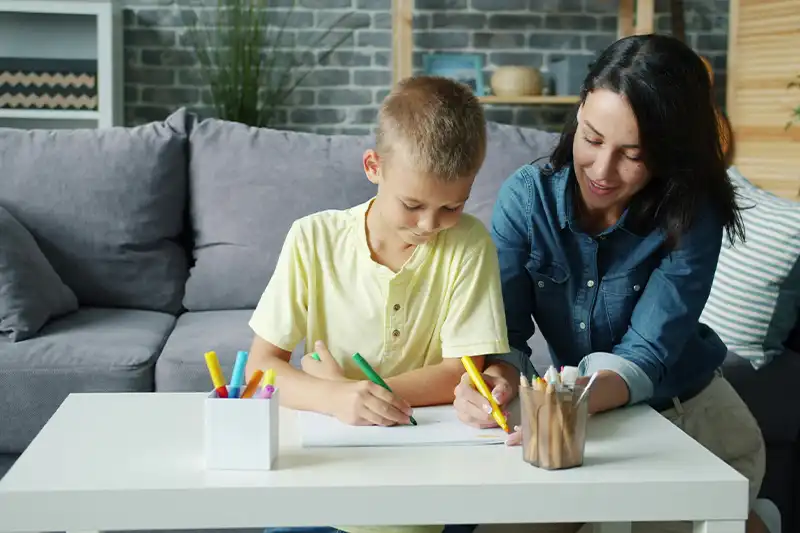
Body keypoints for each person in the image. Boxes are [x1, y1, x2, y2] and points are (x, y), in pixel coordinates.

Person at [453, 34, 769, 533]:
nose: (601, 171)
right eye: (593, 139)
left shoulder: (691, 212)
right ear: (579, 112)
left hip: (689, 419)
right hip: (584, 416)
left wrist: (558, 403)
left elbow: (642, 356)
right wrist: (499, 379)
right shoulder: (527, 197)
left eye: (633, 154)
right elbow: (504, 336)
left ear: (669, 152)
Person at [246, 75, 510, 533]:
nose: (430, 224)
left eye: (452, 207)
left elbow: (459, 372)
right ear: (374, 166)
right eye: (411, 204)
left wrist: (357, 393)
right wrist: (334, 396)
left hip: (429, 479)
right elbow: (260, 368)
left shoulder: (469, 245)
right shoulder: (313, 238)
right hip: (321, 480)